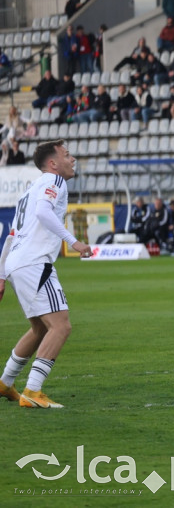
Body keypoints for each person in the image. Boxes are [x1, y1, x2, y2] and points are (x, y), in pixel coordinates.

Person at [0, 141, 93, 408]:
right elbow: (43, 213)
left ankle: (6, 382)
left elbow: (11, 236)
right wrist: (74, 242)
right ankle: (33, 391)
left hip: (18, 263)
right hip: (34, 263)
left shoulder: (28, 192)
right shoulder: (55, 180)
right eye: (67, 155)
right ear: (52, 163)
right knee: (61, 326)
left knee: (40, 328)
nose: (72, 159)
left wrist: (1, 276)